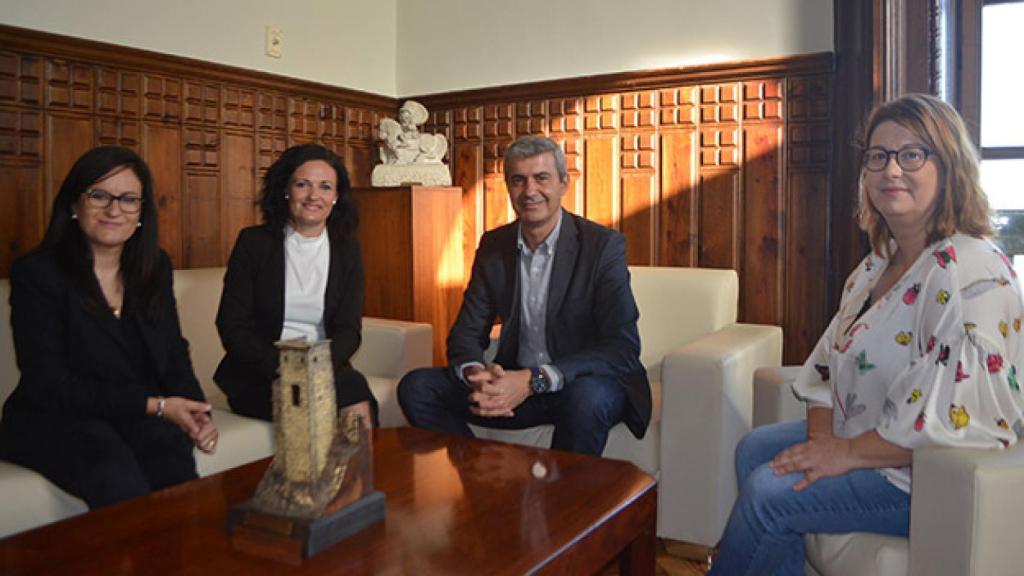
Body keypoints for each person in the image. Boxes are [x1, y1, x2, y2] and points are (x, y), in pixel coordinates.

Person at [709, 94, 1024, 575]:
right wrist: (824, 443)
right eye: (878, 156)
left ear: (951, 166)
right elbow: (826, 365)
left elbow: (960, 419)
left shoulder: (970, 270)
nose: (891, 170)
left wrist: (846, 453)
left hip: (926, 476)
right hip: (872, 439)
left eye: (912, 154)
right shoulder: (880, 261)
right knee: (754, 448)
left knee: (769, 494)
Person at [397, 135, 651, 456]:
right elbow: (466, 333)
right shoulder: (494, 246)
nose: (530, 191)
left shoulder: (602, 246)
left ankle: (567, 503)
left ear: (563, 183)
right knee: (417, 387)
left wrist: (534, 380)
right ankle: (480, 475)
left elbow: (622, 348)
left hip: (581, 384)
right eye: (518, 180)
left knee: (588, 398)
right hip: (518, 388)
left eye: (541, 178)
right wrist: (478, 375)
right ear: (508, 188)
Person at [0, 146, 218, 508]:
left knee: (171, 457)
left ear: (141, 213)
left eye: (129, 199)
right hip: (52, 417)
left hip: (130, 409)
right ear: (74, 204)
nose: (114, 209)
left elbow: (173, 351)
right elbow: (50, 384)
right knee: (113, 471)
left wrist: (198, 412)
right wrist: (157, 406)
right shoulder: (38, 273)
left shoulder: (154, 267)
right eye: (99, 195)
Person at [214, 143, 376, 426]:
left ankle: (357, 472)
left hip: (323, 366)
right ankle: (313, 472)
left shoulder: (347, 250)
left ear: (337, 196)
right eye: (303, 184)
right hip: (262, 371)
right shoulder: (254, 243)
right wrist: (285, 367)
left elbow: (349, 330)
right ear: (286, 190)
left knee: (353, 391)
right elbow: (232, 325)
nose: (314, 195)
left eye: (325, 187)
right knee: (306, 400)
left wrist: (318, 368)